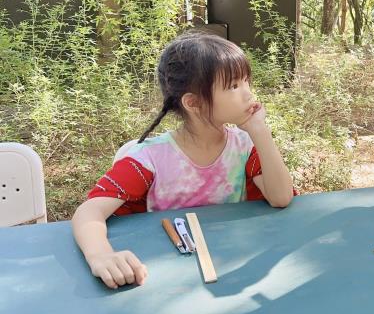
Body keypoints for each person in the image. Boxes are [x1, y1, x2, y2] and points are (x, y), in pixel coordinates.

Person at [72, 31, 294, 290]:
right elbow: (89, 211)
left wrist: (259, 130)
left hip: (229, 267)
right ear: (193, 102)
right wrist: (101, 256)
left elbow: (281, 198)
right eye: (234, 86)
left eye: (246, 81)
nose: (248, 94)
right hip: (168, 279)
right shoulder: (150, 159)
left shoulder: (243, 146)